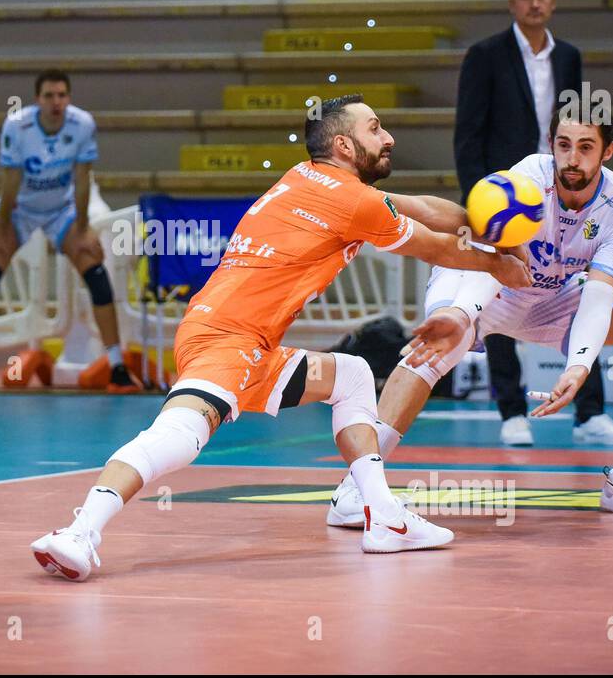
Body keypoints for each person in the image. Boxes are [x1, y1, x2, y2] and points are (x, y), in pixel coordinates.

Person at [30, 95, 531, 581]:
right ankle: (80, 533)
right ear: (342, 145)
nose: (389, 138)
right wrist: (501, 263)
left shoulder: (307, 178)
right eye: (375, 128)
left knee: (353, 377)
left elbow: (422, 208)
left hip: (245, 341)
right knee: (179, 436)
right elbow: (437, 248)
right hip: (228, 337)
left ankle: (386, 518)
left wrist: (485, 221)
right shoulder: (353, 202)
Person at [326, 117, 613, 530]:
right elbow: (491, 258)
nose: (572, 157)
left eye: (585, 147)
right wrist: (460, 314)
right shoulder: (527, 177)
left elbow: (599, 298)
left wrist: (579, 365)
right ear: (551, 144)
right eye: (563, 144)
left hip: (554, 297)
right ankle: (356, 487)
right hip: (486, 277)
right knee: (439, 346)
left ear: (608, 151)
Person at [453, 0, 613, 448]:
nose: (533, 3)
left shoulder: (569, 56)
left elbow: (581, 124)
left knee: (578, 290)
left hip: (561, 188)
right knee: (502, 291)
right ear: (512, 3)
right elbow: (468, 136)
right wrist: (478, 207)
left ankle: (590, 414)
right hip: (507, 198)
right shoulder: (485, 56)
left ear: (552, 1)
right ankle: (511, 411)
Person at [0, 70, 134, 392]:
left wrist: (83, 227)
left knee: (96, 272)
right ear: (38, 100)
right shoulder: (17, 126)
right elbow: (10, 181)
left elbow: (82, 178)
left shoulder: (83, 125)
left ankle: (117, 367)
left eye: (62, 95)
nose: (56, 102)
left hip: (62, 210)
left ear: (69, 98)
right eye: (49, 96)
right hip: (21, 208)